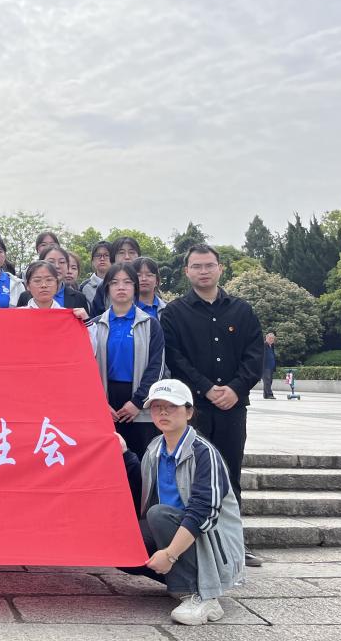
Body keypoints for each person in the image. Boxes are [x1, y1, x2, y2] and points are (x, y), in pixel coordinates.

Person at [160, 244, 264, 568]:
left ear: (220, 268)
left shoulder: (242, 311)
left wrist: (235, 388)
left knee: (230, 473)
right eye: (196, 266)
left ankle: (234, 545)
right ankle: (195, 545)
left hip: (233, 408)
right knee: (193, 476)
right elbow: (175, 358)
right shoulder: (174, 313)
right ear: (186, 271)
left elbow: (254, 356)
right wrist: (205, 388)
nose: (203, 271)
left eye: (209, 265)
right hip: (194, 410)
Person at [122, 379, 245, 626]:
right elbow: (143, 487)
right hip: (173, 530)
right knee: (122, 546)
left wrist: (169, 555)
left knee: (158, 514)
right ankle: (180, 583)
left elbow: (203, 512)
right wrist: (124, 453)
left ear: (189, 412)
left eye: (172, 406)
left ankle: (203, 595)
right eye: (157, 407)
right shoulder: (155, 448)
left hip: (210, 541)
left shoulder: (204, 453)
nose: (163, 412)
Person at [92, 262, 165, 458]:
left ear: (135, 287)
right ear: (107, 288)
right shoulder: (95, 325)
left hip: (139, 404)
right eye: (115, 282)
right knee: (109, 462)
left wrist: (137, 402)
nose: (121, 287)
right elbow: (86, 370)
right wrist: (100, 403)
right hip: (106, 403)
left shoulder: (150, 324)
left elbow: (156, 367)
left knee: (141, 462)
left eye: (127, 282)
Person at [18, 246, 89, 311]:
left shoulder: (79, 298)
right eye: (51, 262)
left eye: (62, 262)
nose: (57, 266)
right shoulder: (25, 297)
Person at [90, 237, 143, 316]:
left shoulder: (146, 282)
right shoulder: (104, 286)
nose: (127, 257)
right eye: (121, 253)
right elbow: (96, 318)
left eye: (131, 252)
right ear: (113, 257)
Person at [262, 332, 277, 399]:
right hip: (265, 367)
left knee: (269, 381)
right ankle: (270, 394)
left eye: (273, 338)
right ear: (266, 338)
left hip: (271, 367)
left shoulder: (272, 346)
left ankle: (265, 395)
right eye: (270, 338)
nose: (271, 340)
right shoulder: (264, 345)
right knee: (267, 381)